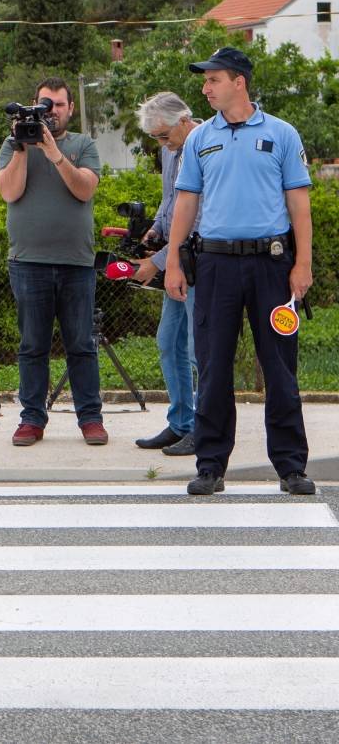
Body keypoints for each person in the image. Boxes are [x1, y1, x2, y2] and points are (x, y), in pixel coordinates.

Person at [164, 47, 316, 497]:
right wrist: (173, 259)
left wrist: (302, 263)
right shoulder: (198, 139)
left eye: (213, 80)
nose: (206, 88)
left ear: (239, 82)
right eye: (205, 80)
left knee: (280, 368)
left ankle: (291, 467)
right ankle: (210, 465)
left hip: (271, 265)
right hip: (215, 266)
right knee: (212, 367)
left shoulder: (282, 134)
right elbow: (186, 202)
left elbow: (299, 203)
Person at [0, 77, 105, 448]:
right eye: (45, 103)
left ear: (70, 109)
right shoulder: (13, 146)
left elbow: (85, 189)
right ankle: (31, 420)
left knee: (81, 345)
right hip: (28, 263)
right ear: (33, 103)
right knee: (32, 346)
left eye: (58, 105)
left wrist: (55, 153)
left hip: (76, 263)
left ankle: (90, 418)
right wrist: (23, 148)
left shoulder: (82, 145)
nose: (52, 111)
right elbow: (10, 192)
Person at [131, 92, 199, 456]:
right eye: (156, 137)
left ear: (184, 120)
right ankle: (181, 423)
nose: (162, 143)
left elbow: (196, 216)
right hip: (174, 260)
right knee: (169, 343)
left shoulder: (206, 146)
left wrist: (156, 262)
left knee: (197, 351)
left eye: (163, 135)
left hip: (196, 261)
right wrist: (155, 229)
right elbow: (170, 201)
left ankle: (204, 428)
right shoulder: (169, 150)